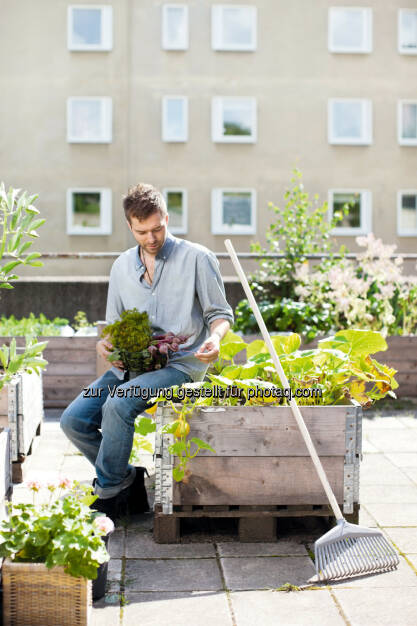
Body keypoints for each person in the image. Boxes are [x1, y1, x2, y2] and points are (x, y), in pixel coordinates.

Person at [60, 183, 234, 520]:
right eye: (142, 231)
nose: (151, 238)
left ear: (167, 218)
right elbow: (114, 327)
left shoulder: (198, 258)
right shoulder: (122, 267)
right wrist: (105, 344)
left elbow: (220, 314)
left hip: (182, 366)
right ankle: (127, 478)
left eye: (157, 228)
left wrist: (215, 339)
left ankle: (109, 494)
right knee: (73, 421)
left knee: (120, 402)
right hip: (134, 367)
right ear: (130, 226)